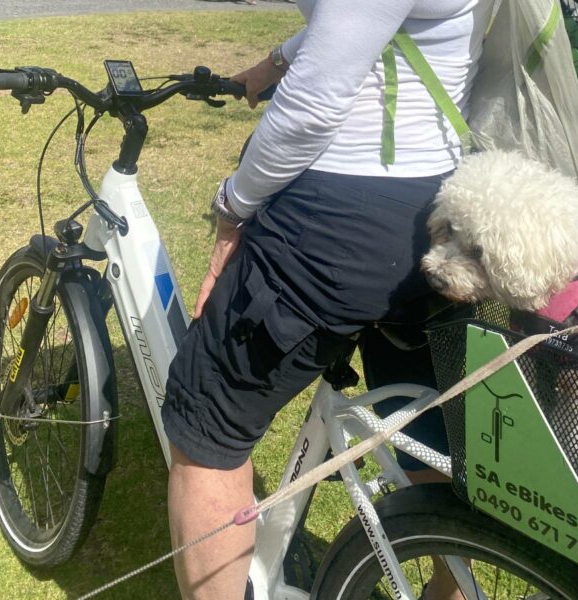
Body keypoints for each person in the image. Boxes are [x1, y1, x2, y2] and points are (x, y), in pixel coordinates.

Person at [162, 1, 515, 598]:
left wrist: (232, 206)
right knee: (431, 423)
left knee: (208, 423)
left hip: (340, 218)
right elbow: (381, 23)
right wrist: (276, 59)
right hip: (439, 207)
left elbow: (310, 109)